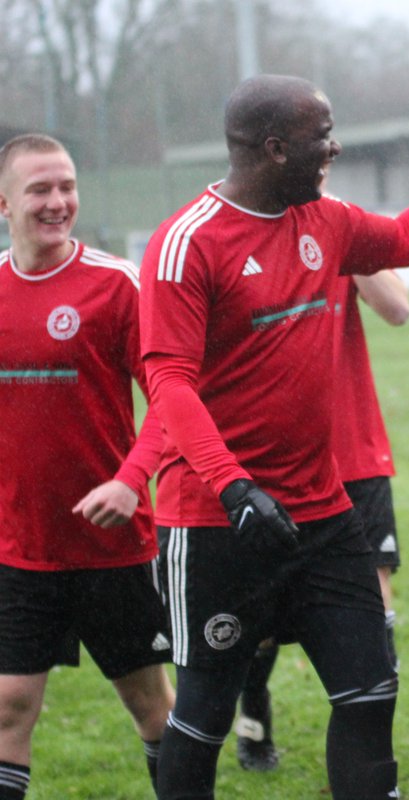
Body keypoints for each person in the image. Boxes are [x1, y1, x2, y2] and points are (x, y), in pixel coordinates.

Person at [138, 74, 409, 799]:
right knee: (204, 713)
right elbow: (169, 381)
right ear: (276, 148)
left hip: (324, 514)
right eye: (322, 135)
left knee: (370, 690)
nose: (335, 147)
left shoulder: (326, 220)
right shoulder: (186, 243)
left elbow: (405, 238)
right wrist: (233, 486)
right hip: (217, 522)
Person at [0, 133, 175, 799]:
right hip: (18, 546)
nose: (58, 202)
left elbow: (172, 398)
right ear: (4, 203)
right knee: (9, 705)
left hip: (112, 547)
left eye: (67, 186)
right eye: (40, 189)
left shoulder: (115, 285)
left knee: (149, 703)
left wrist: (131, 480)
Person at [234, 267, 409, 773]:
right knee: (264, 607)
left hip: (356, 456)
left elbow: (398, 310)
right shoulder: (249, 242)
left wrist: (350, 249)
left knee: (373, 601)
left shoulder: (344, 239)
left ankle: (371, 748)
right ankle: (254, 718)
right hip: (276, 459)